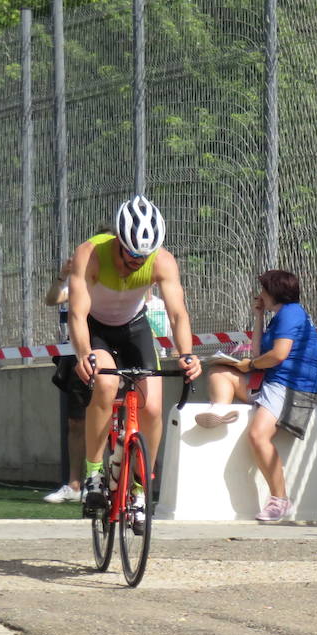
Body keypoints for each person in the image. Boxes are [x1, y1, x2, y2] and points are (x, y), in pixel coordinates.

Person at [68, 196, 203, 524]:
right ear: (118, 240)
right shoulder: (90, 255)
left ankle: (141, 489)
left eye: (144, 255)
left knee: (153, 407)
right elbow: (77, 312)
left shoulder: (163, 261)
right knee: (105, 381)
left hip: (134, 328)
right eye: (131, 253)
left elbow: (177, 313)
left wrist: (186, 354)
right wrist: (84, 353)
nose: (137, 261)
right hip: (96, 330)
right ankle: (94, 474)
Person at [196, 270, 317, 522]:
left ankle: (280, 500)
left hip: (288, 387)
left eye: (263, 290)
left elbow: (278, 355)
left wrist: (250, 367)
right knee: (220, 372)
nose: (259, 294)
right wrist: (258, 316)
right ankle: (221, 412)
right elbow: (256, 353)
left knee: (258, 435)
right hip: (271, 383)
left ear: (273, 292)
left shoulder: (291, 313)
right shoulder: (278, 317)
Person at [44, 257, 86, 503]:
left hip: (107, 354)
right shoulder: (76, 280)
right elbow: (51, 299)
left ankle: (107, 482)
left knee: (114, 421)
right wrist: (62, 275)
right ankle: (74, 485)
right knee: (76, 422)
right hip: (74, 357)